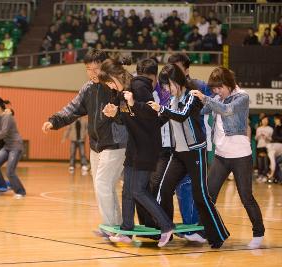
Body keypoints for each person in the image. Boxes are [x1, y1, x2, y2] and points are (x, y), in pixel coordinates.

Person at [42, 49, 127, 237]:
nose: (92, 73)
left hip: (116, 143)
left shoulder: (115, 86)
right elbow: (72, 108)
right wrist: (54, 120)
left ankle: (112, 227)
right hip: (96, 145)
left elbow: (130, 110)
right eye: (88, 69)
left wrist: (118, 112)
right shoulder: (88, 88)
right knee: (103, 185)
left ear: (105, 67)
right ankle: (115, 225)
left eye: (96, 69)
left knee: (103, 183)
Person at [148, 64, 230, 248]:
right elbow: (160, 121)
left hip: (195, 151)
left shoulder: (192, 96)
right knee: (163, 188)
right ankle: (166, 229)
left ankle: (218, 235)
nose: (166, 90)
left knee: (200, 196)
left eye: (168, 85)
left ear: (176, 81)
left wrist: (160, 109)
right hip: (179, 154)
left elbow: (182, 115)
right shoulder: (171, 100)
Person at [99, 57, 174, 247]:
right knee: (127, 190)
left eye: (109, 82)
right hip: (134, 145)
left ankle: (166, 225)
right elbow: (127, 118)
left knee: (138, 190)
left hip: (147, 146)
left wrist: (134, 104)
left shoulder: (139, 88)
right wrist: (114, 113)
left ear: (117, 76)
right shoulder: (121, 92)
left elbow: (153, 113)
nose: (110, 86)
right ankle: (126, 229)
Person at [191, 66, 265, 249]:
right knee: (208, 195)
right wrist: (191, 100)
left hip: (241, 156)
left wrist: (205, 97)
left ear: (229, 84)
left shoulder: (242, 97)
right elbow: (201, 111)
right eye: (214, 89)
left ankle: (259, 232)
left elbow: (227, 110)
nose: (217, 92)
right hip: (221, 156)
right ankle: (202, 231)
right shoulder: (216, 98)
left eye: (219, 88)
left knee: (246, 197)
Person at [0, 97, 26, 199]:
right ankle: (3, 187)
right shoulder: (1, 116)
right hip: (7, 146)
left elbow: (3, 133)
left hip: (16, 146)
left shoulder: (7, 117)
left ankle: (20, 192)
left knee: (10, 171)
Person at [255, 116, 273, 182]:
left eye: (266, 120)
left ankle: (265, 176)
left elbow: (272, 139)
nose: (265, 121)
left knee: (266, 162)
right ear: (261, 121)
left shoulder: (270, 129)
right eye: (263, 120)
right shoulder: (258, 129)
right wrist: (259, 135)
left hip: (267, 146)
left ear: (268, 121)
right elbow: (256, 138)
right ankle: (260, 175)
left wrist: (267, 137)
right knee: (260, 162)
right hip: (260, 146)